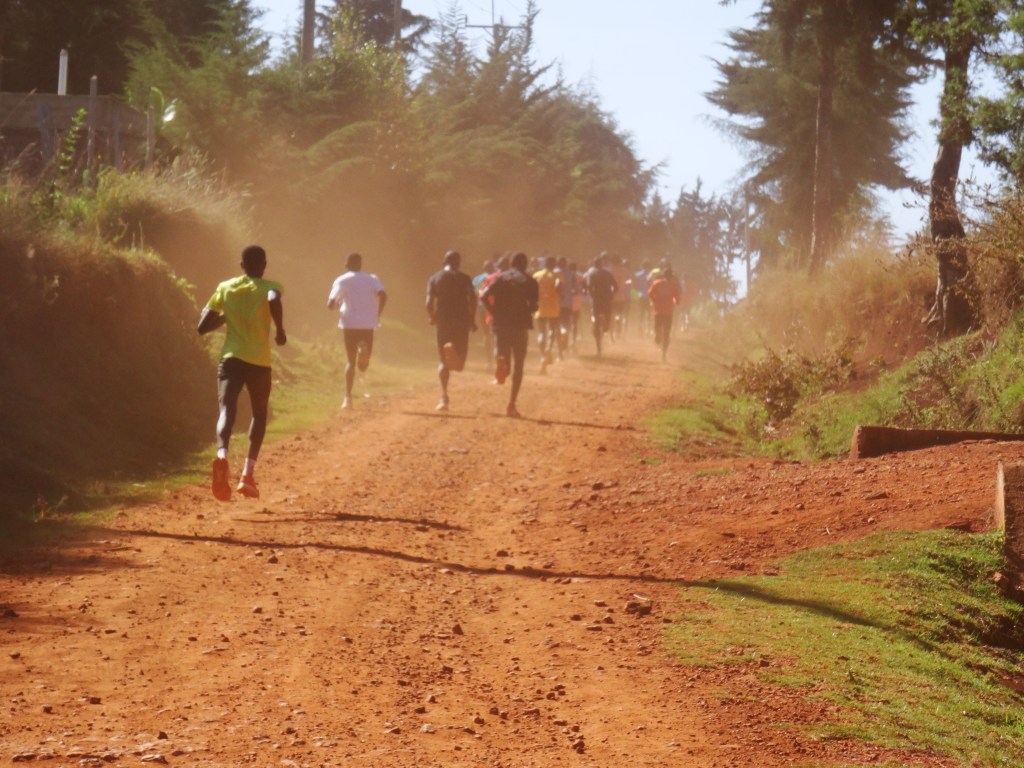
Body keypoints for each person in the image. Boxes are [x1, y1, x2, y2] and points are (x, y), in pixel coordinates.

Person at [197, 244, 287, 502]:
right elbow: (273, 299)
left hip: (231, 359)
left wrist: (227, 316)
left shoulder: (225, 287)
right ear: (264, 264)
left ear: (241, 266)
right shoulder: (272, 285)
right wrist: (280, 329)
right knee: (259, 414)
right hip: (259, 361)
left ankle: (222, 456)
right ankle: (247, 475)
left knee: (227, 409)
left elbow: (202, 326)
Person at [479, 251, 539, 418]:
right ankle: (511, 404)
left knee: (503, 354)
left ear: (511, 263)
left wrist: (494, 311)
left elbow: (483, 296)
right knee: (519, 364)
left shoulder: (500, 277)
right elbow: (534, 306)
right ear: (525, 265)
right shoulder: (529, 281)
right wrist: (528, 309)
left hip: (500, 324)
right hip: (520, 325)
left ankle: (502, 362)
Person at [327, 252, 387, 409]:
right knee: (363, 366)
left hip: (349, 324)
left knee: (351, 362)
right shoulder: (372, 279)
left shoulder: (341, 280)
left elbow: (330, 303)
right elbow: (383, 295)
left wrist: (337, 304)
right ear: (361, 265)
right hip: (368, 324)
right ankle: (363, 348)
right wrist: (377, 313)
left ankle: (347, 398)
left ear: (346, 265)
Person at [426, 250, 478, 411]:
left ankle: (444, 397)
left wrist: (432, 317)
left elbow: (428, 302)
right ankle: (455, 353)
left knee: (443, 361)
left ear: (444, 262)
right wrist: (472, 319)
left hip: (443, 322)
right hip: (461, 322)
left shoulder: (435, 278)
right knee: (460, 365)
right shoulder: (464, 278)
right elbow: (473, 299)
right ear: (458, 263)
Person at [583, 253, 618, 357]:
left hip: (596, 300)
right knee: (607, 320)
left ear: (594, 265)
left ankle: (598, 348)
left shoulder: (590, 274)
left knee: (595, 319)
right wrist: (611, 294)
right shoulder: (607, 274)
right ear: (602, 265)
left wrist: (589, 293)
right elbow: (616, 287)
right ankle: (605, 325)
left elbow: (587, 286)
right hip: (607, 300)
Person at [532, 256, 561, 373]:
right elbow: (560, 289)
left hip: (541, 307)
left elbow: (533, 292)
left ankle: (542, 356)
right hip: (553, 307)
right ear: (553, 265)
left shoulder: (536, 275)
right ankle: (549, 347)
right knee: (552, 330)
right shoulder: (556, 276)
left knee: (541, 332)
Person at [649, 264, 681, 362]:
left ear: (663, 275)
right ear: (671, 276)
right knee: (667, 333)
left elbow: (650, 294)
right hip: (668, 312)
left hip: (658, 311)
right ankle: (664, 355)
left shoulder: (656, 283)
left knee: (657, 328)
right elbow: (677, 299)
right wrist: (676, 302)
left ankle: (657, 335)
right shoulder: (673, 285)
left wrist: (655, 301)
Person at [472, 259, 496, 363]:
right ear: (493, 268)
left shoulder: (477, 279)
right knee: (496, 334)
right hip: (495, 309)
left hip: (481, 308)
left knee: (486, 334)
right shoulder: (496, 278)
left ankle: (489, 361)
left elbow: (473, 295)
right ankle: (497, 357)